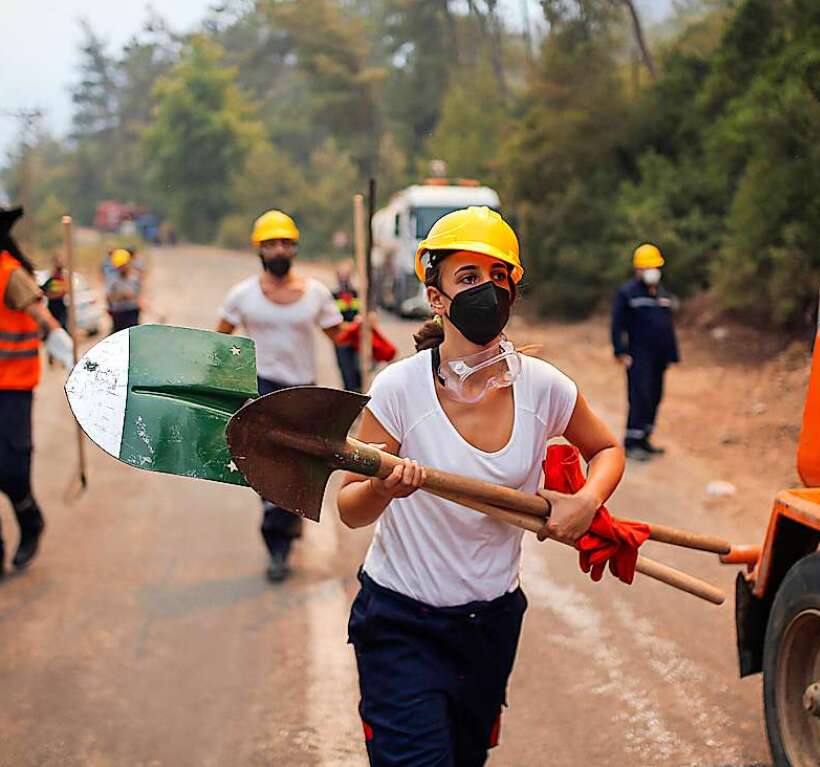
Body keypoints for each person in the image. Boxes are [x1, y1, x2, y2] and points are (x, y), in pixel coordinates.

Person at [336, 206, 625, 766]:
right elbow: (350, 506)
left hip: (490, 626)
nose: (487, 292)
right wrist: (383, 490)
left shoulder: (544, 388)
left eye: (499, 278)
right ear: (436, 296)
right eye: (468, 278)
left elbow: (607, 450)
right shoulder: (398, 390)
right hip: (401, 624)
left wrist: (587, 503)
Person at [216, 209, 347, 582]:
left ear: (294, 248)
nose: (278, 250)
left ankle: (289, 523)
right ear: (259, 249)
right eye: (270, 244)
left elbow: (341, 338)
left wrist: (362, 331)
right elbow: (219, 342)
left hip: (303, 395)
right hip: (261, 392)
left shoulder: (317, 295)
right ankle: (278, 547)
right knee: (272, 474)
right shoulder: (242, 295)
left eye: (284, 244)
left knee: (301, 472)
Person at [0, 207, 74, 578]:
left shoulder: (9, 274)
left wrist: (66, 351)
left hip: (11, 387)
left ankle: (30, 519)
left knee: (11, 470)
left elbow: (42, 318)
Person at [611, 243, 680, 461]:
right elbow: (617, 324)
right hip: (639, 355)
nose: (652, 271)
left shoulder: (662, 293)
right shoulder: (628, 293)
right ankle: (631, 443)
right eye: (647, 267)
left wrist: (672, 353)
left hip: (659, 356)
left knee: (655, 397)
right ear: (638, 269)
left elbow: (668, 325)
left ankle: (645, 438)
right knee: (640, 396)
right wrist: (620, 350)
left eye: (655, 266)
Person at [332, 257, 362, 391]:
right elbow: (332, 321)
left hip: (356, 339)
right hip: (342, 340)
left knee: (358, 371)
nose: (344, 278)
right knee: (346, 371)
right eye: (342, 275)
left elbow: (362, 312)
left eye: (347, 275)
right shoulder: (333, 295)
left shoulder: (356, 293)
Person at [106, 248, 142, 333]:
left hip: (132, 312)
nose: (122, 268)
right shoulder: (112, 280)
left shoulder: (134, 278)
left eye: (123, 265)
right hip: (118, 313)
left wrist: (132, 297)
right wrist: (119, 296)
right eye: (120, 266)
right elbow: (108, 297)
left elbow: (138, 295)